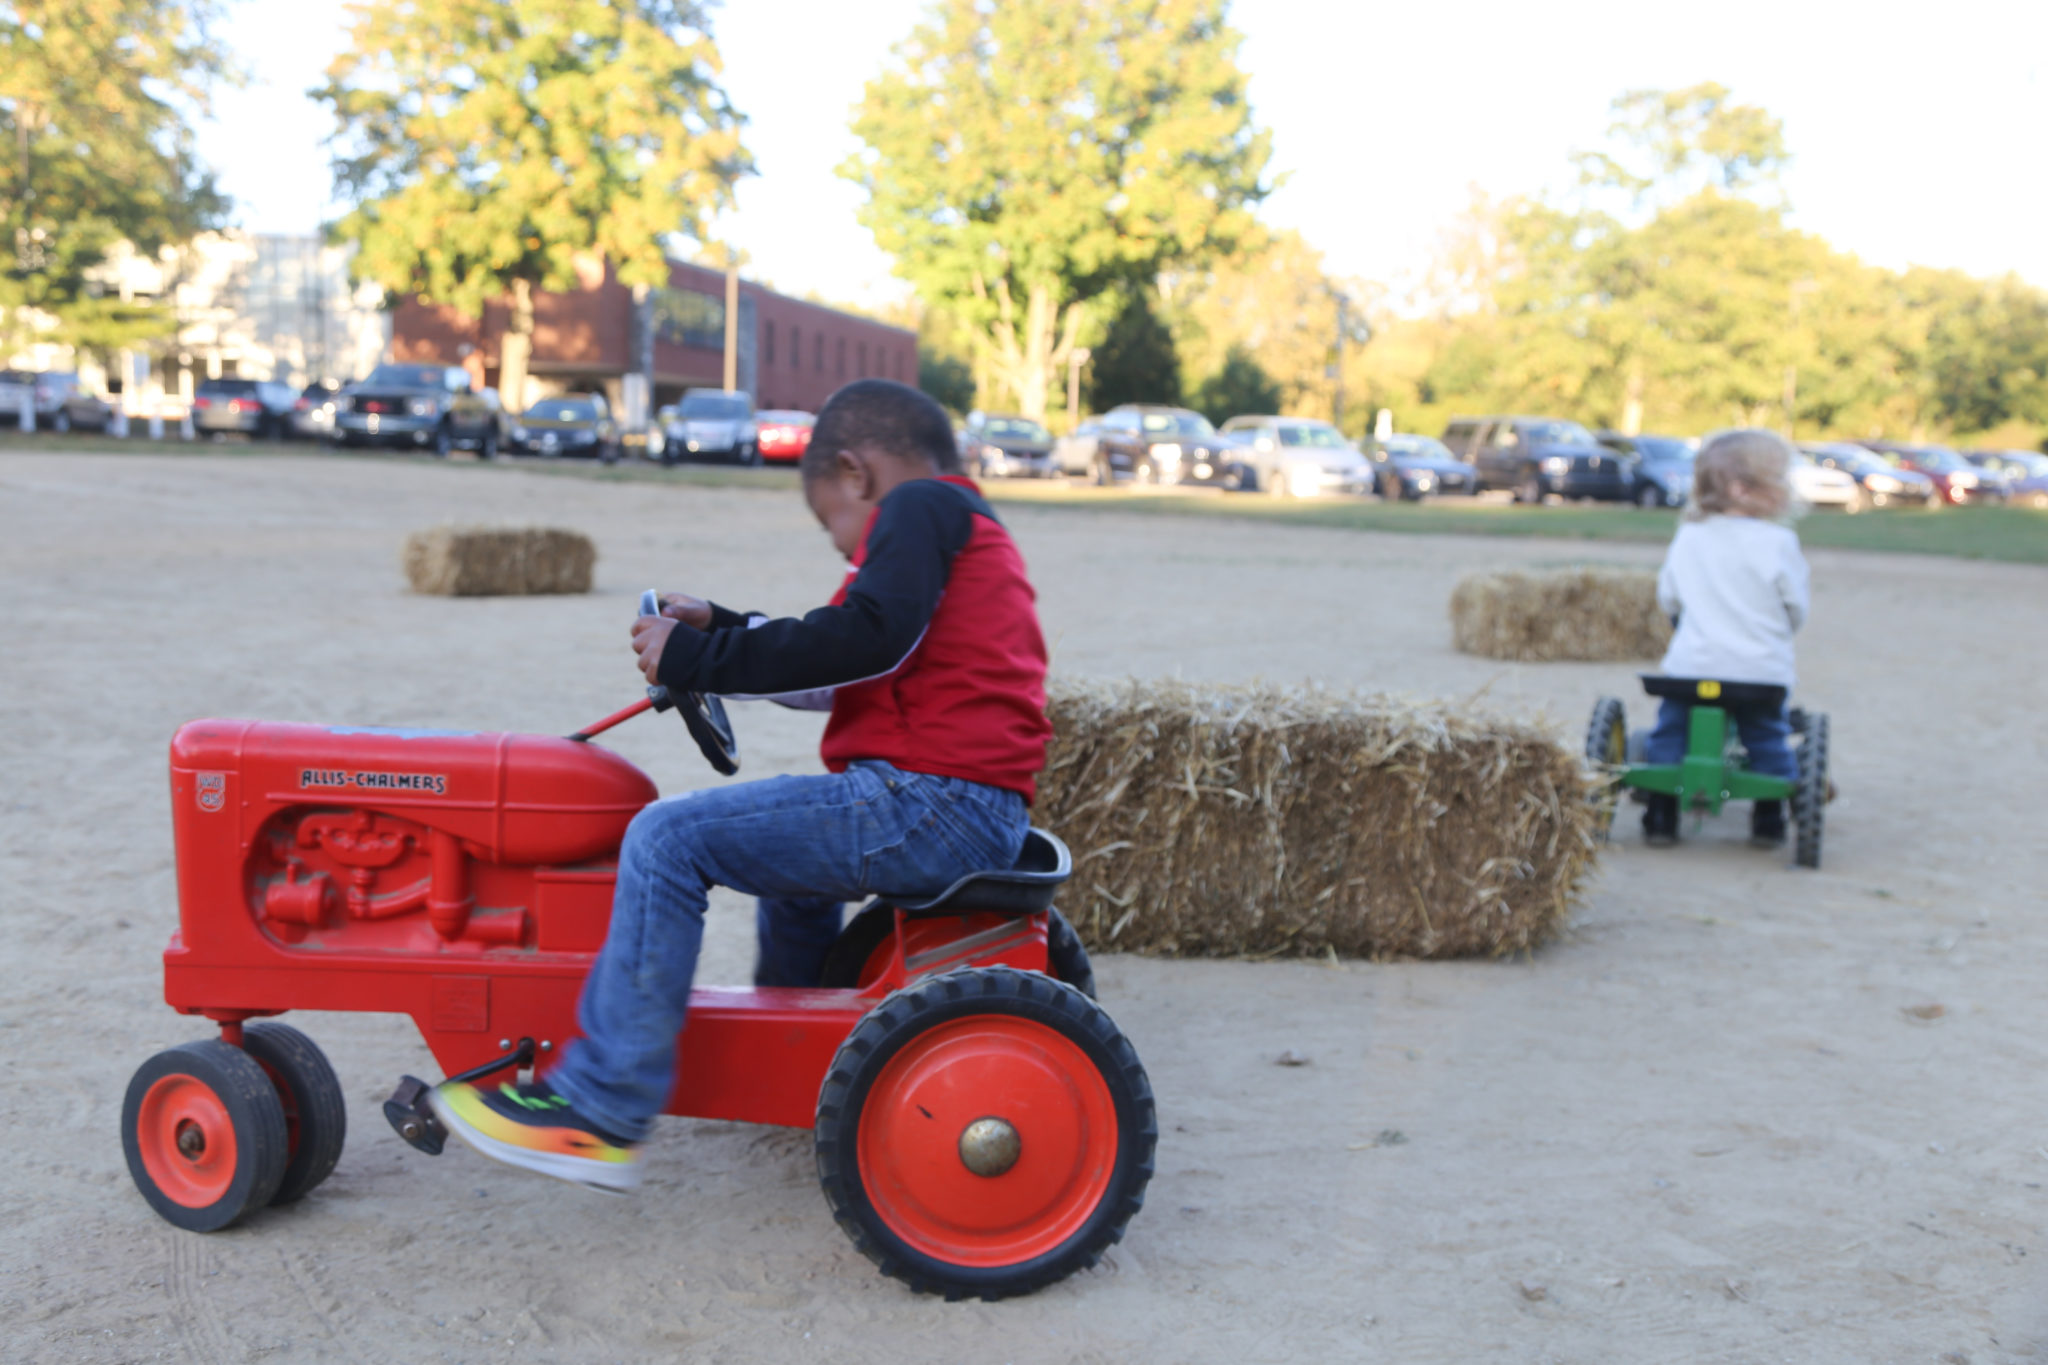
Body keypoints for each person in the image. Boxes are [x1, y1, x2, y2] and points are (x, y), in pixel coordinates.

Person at [430, 379, 1052, 1191]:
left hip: (933, 802)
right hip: (958, 802)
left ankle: (601, 1106)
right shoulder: (961, 529)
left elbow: (865, 640)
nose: (845, 549)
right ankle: (801, 1059)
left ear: (853, 471)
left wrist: (699, 660)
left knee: (665, 836)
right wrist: (723, 627)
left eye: (833, 526)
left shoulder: (921, 507)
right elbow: (840, 670)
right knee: (789, 875)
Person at [1642, 428, 1810, 849]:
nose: (1788, 490)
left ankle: (1660, 810)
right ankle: (1769, 813)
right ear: (1743, 489)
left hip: (1690, 669)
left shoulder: (1690, 536)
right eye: (1781, 480)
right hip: (1758, 673)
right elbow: (1794, 609)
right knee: (1767, 737)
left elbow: (1669, 598)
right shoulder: (1779, 542)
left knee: (1670, 733)